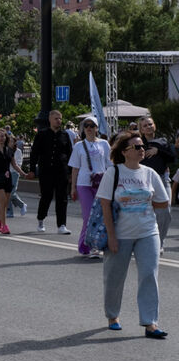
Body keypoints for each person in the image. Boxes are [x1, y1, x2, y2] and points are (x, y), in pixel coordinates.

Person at [98, 132, 169, 338]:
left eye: (142, 147)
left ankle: (150, 323)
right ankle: (112, 316)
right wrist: (111, 236)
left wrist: (144, 204)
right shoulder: (114, 173)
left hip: (148, 232)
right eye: (136, 147)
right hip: (120, 234)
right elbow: (105, 204)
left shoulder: (149, 173)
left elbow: (163, 203)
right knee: (114, 277)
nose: (141, 150)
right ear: (124, 152)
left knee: (149, 275)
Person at [69, 118, 111, 258]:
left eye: (92, 125)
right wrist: (73, 188)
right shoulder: (79, 146)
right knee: (88, 216)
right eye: (86, 126)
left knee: (102, 215)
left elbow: (109, 165)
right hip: (84, 184)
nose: (89, 128)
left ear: (97, 128)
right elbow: (75, 168)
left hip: (101, 184)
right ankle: (86, 246)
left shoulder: (104, 144)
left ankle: (98, 245)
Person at [31, 110, 73, 234]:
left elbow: (70, 154)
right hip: (46, 171)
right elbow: (34, 153)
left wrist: (71, 172)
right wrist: (32, 170)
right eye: (56, 118)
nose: (58, 121)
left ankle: (61, 225)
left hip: (62, 171)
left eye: (60, 118)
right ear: (50, 119)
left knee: (62, 198)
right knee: (46, 197)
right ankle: (41, 219)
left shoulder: (65, 135)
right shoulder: (42, 134)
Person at [138, 116, 175, 254]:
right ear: (141, 129)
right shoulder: (139, 143)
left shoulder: (163, 141)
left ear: (155, 126)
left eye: (150, 124)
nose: (148, 127)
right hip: (142, 181)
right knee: (143, 213)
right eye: (145, 125)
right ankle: (144, 241)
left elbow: (172, 158)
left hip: (162, 180)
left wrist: (158, 151)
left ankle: (159, 241)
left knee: (165, 211)